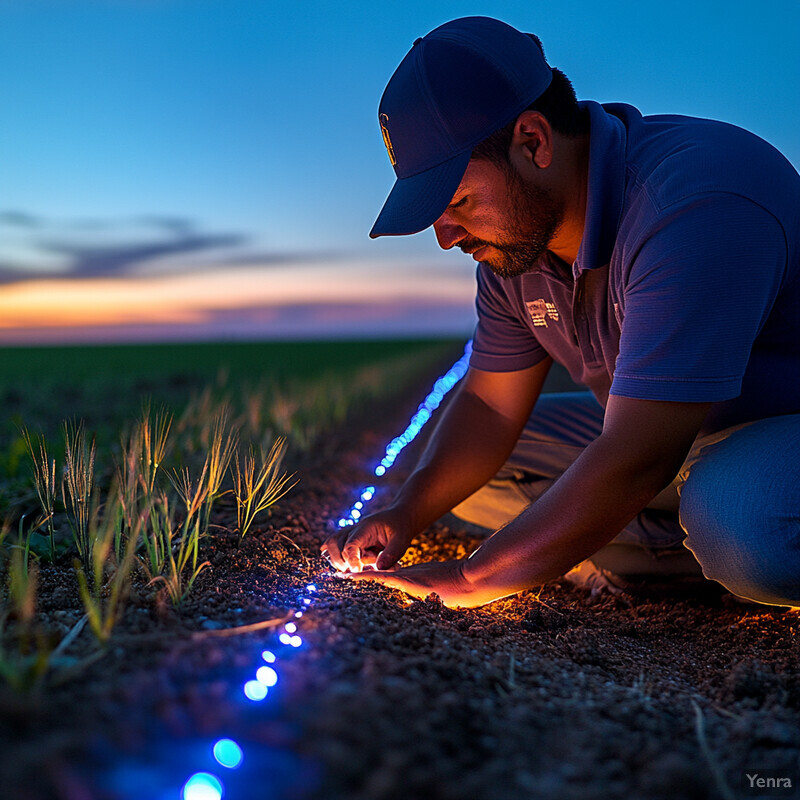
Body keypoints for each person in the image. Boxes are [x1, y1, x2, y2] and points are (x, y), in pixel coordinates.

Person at [321, 16, 800, 609]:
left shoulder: (693, 205)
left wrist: (475, 578)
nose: (445, 236)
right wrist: (406, 510)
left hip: (777, 427)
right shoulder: (516, 251)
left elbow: (638, 453)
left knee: (743, 522)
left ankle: (705, 541)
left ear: (534, 141)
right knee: (477, 475)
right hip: (673, 439)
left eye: (458, 201)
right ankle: (682, 541)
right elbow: (489, 408)